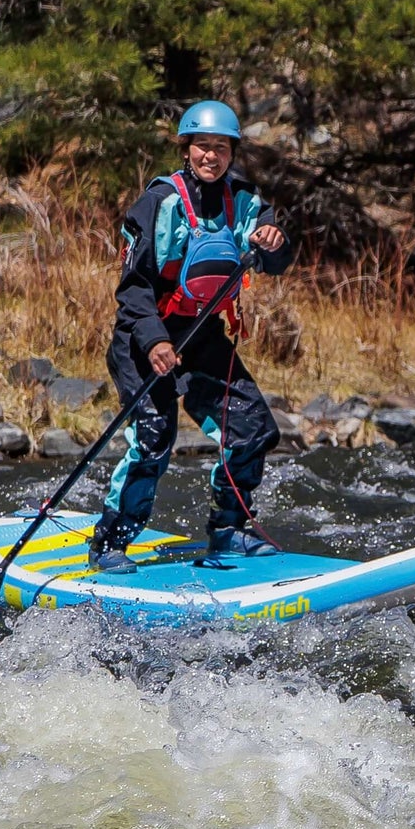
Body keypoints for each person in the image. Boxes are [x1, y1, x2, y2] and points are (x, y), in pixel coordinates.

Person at [89, 101, 295, 572]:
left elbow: (273, 255)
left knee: (252, 430)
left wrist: (274, 240)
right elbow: (133, 288)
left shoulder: (243, 197)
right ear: (187, 149)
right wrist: (155, 341)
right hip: (145, 338)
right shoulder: (158, 203)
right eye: (203, 146)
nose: (211, 155)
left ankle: (229, 531)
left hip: (202, 333)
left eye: (221, 147)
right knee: (154, 439)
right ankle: (110, 542)